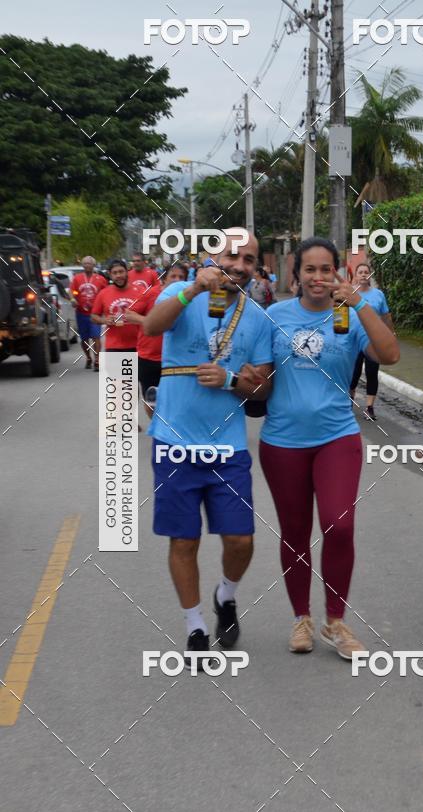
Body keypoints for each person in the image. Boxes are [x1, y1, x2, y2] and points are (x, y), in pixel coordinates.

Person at [259, 237, 400, 660]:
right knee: (295, 532)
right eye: (310, 269)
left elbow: (390, 353)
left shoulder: (350, 316)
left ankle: (335, 621)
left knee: (340, 527)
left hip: (337, 437)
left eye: (326, 269)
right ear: (297, 274)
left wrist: (359, 303)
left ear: (337, 273)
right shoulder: (274, 316)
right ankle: (301, 618)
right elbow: (259, 375)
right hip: (282, 441)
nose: (318, 277)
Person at [143, 229, 273, 666]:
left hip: (227, 447)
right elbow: (151, 327)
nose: (239, 265)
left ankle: (226, 595)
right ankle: (195, 625)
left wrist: (233, 380)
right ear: (211, 257)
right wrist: (195, 288)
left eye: (249, 259)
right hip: (174, 442)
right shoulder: (180, 292)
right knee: (184, 540)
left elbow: (262, 390)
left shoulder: (257, 317)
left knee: (240, 539)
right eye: (232, 255)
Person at [122, 263, 189, 419]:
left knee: (176, 399)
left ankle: (170, 428)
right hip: (149, 357)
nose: (177, 280)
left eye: (181, 277)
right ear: (163, 279)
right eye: (173, 276)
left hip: (177, 359)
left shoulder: (189, 297)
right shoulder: (151, 294)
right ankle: (156, 427)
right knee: (152, 400)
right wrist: (152, 322)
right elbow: (128, 314)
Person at [349, 262, 394, 420]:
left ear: (369, 275)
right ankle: (349, 402)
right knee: (352, 374)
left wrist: (391, 334)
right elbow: (340, 315)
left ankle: (369, 408)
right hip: (353, 341)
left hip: (373, 341)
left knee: (372, 372)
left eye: (366, 272)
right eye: (360, 272)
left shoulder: (378, 295)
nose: (363, 274)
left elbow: (386, 316)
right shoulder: (350, 293)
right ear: (356, 276)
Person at [91, 259, 144, 357]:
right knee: (116, 368)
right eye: (115, 273)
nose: (118, 275)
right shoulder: (103, 293)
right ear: (110, 275)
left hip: (139, 345)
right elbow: (93, 316)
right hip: (114, 346)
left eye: (121, 271)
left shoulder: (141, 291)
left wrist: (138, 318)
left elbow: (151, 315)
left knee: (136, 368)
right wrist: (104, 320)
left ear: (127, 272)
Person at [70, 256, 107, 370]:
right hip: (81, 313)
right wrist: (73, 299)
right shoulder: (77, 278)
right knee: (84, 339)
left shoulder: (100, 279)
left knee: (96, 336)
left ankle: (97, 360)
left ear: (93, 265)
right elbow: (72, 291)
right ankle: (88, 358)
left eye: (89, 263)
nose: (87, 265)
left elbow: (106, 293)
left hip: (95, 313)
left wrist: (105, 307)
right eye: (85, 263)